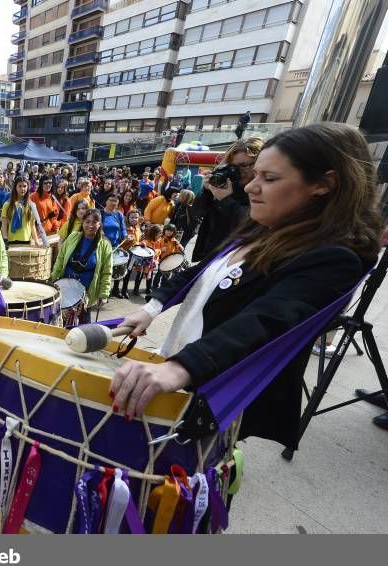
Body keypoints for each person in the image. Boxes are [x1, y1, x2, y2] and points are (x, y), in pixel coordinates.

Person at [109, 123, 382, 455]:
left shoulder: (333, 259)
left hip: (211, 393)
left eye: (269, 178)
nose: (251, 186)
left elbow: (264, 320)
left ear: (324, 185)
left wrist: (180, 368)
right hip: (180, 370)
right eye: (255, 175)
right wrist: (149, 309)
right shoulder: (262, 225)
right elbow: (201, 271)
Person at [191, 137, 264, 262]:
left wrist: (226, 200)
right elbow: (196, 214)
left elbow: (252, 224)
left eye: (244, 165)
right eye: (233, 166)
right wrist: (207, 191)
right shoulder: (226, 183)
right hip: (210, 256)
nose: (237, 171)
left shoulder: (265, 190)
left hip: (239, 261)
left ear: (260, 163)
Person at [52, 208, 112, 324]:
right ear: (82, 222)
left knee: (84, 326)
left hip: (86, 293)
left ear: (99, 224)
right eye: (87, 222)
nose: (90, 225)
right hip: (65, 288)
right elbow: (60, 259)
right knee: (61, 323)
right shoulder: (73, 237)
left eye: (94, 222)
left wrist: (104, 294)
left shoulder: (105, 245)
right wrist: (54, 278)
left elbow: (106, 272)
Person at [1, 177, 40, 245]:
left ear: (28, 187)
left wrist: (36, 240)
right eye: (20, 186)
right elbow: (4, 224)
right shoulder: (7, 204)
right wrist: (5, 238)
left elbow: (32, 225)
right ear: (15, 187)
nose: (22, 189)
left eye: (25, 186)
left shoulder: (32, 205)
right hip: (11, 240)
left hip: (26, 240)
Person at [151, 223, 184, 290]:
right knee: (159, 273)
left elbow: (179, 250)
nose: (169, 232)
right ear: (164, 230)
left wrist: (180, 247)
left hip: (170, 260)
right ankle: (155, 286)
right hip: (162, 259)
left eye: (171, 231)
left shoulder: (174, 241)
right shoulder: (160, 239)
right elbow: (155, 250)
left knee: (167, 275)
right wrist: (161, 249)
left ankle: (163, 286)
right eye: (167, 230)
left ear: (174, 232)